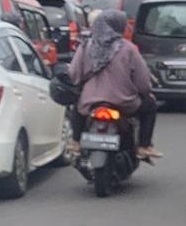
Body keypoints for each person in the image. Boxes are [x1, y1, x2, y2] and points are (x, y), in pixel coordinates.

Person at [67, 9, 159, 160]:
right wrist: (144, 92)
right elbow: (143, 82)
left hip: (89, 102)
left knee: (76, 105)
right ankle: (144, 146)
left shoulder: (85, 46)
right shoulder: (128, 48)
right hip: (124, 102)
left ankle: (76, 142)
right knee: (150, 105)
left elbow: (74, 74)